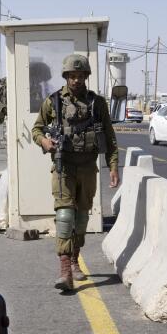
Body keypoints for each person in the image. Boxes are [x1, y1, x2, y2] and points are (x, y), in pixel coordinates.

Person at [31, 53, 119, 291]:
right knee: (65, 216)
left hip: (88, 168)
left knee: (81, 220)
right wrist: (44, 142)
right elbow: (36, 129)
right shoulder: (54, 102)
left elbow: (110, 138)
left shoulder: (97, 103)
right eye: (72, 76)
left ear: (86, 77)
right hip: (63, 167)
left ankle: (74, 257)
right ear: (66, 77)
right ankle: (65, 271)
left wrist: (112, 166)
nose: (77, 80)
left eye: (81, 76)